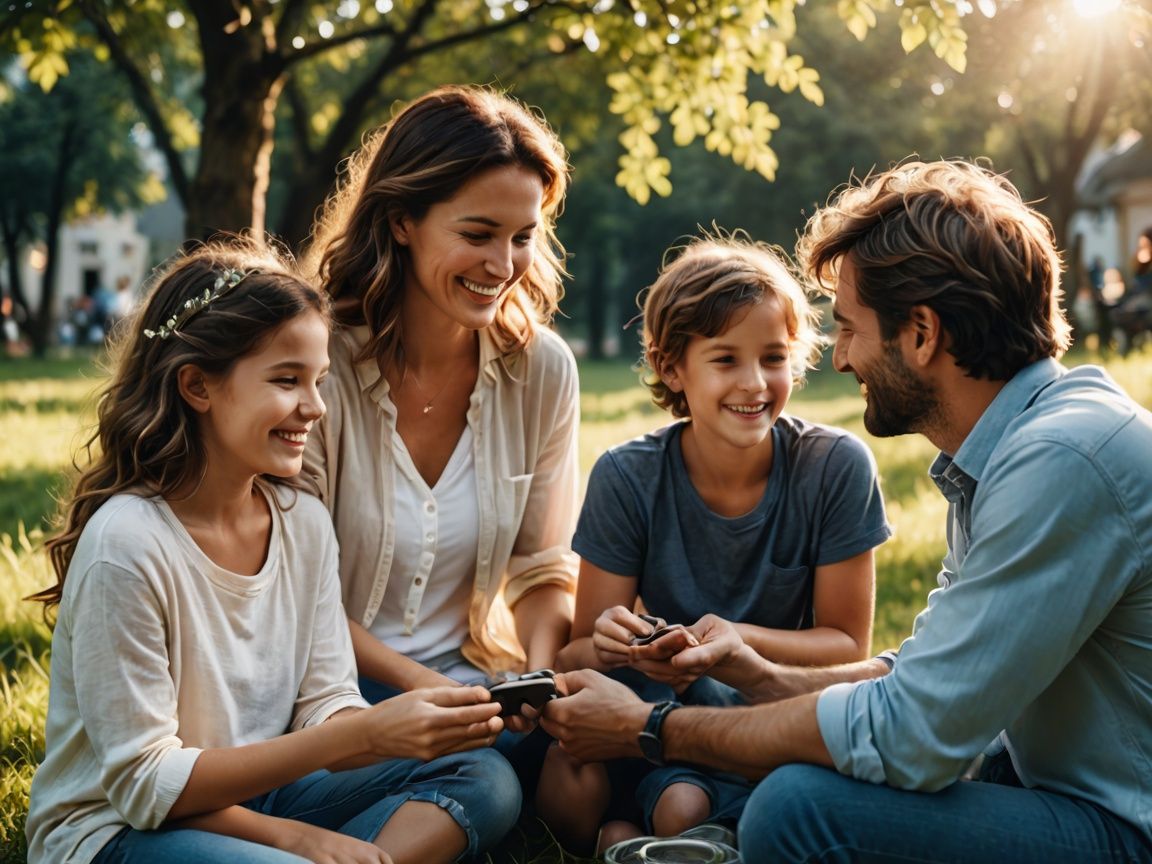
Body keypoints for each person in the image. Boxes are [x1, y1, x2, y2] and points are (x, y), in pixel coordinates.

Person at [540, 160, 1152, 863]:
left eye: (852, 328)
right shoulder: (1014, 451)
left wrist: (652, 728)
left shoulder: (1062, 462)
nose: (840, 360)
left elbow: (911, 735)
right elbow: (918, 672)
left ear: (921, 334)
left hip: (1125, 827)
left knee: (798, 810)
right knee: (806, 777)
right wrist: (755, 675)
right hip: (1050, 779)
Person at [25, 240, 520, 864]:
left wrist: (393, 729)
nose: (314, 407)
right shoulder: (127, 544)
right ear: (197, 386)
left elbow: (325, 700)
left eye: (318, 380)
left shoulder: (301, 523)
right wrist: (303, 835)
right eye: (286, 380)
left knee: (484, 777)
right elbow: (144, 785)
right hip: (123, 830)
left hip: (263, 793)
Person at [537, 234, 890, 854]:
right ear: (673, 367)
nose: (755, 384)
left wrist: (733, 639)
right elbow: (579, 654)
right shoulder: (628, 476)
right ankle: (648, 828)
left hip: (768, 709)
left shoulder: (834, 467)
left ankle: (646, 834)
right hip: (654, 713)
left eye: (774, 357)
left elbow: (845, 645)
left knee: (681, 809)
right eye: (725, 359)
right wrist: (615, 643)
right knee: (592, 787)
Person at [300, 85, 579, 706]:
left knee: (607, 748)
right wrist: (441, 696)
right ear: (402, 221)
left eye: (522, 237)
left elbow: (541, 566)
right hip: (323, 684)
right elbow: (297, 596)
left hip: (475, 678)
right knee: (490, 782)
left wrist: (537, 686)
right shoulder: (315, 367)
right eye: (478, 234)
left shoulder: (542, 373)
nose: (503, 265)